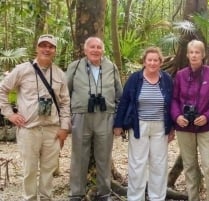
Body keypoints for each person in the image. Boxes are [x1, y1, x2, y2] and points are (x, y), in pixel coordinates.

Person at [0, 34, 71, 201]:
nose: (46, 49)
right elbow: (2, 90)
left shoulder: (60, 74)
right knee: (29, 170)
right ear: (37, 48)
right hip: (29, 129)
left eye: (50, 46)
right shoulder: (22, 70)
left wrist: (64, 127)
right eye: (43, 45)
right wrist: (10, 114)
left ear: (54, 50)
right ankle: (29, 198)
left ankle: (46, 198)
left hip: (52, 130)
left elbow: (65, 103)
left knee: (48, 170)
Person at [113, 47, 174, 201]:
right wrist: (118, 124)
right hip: (138, 125)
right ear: (144, 61)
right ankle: (135, 198)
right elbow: (124, 101)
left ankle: (157, 197)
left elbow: (172, 104)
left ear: (160, 62)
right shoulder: (135, 78)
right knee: (137, 164)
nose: (152, 63)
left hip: (161, 126)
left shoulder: (166, 79)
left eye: (156, 60)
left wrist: (172, 128)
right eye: (149, 60)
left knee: (159, 164)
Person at [66, 36, 123, 201]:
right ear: (85, 50)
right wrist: (67, 116)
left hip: (105, 117)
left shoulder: (111, 67)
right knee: (79, 156)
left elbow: (120, 94)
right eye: (92, 47)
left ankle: (104, 193)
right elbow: (64, 93)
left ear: (103, 50)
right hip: (81, 115)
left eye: (99, 47)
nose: (95, 50)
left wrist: (118, 118)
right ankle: (76, 193)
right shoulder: (75, 66)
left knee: (104, 156)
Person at [170, 40, 209, 201]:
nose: (194, 55)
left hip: (207, 127)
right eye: (191, 52)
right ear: (187, 55)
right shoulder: (180, 75)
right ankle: (193, 197)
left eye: (197, 52)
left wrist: (207, 116)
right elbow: (173, 99)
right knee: (189, 165)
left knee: (208, 165)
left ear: (203, 54)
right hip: (184, 127)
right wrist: (177, 116)